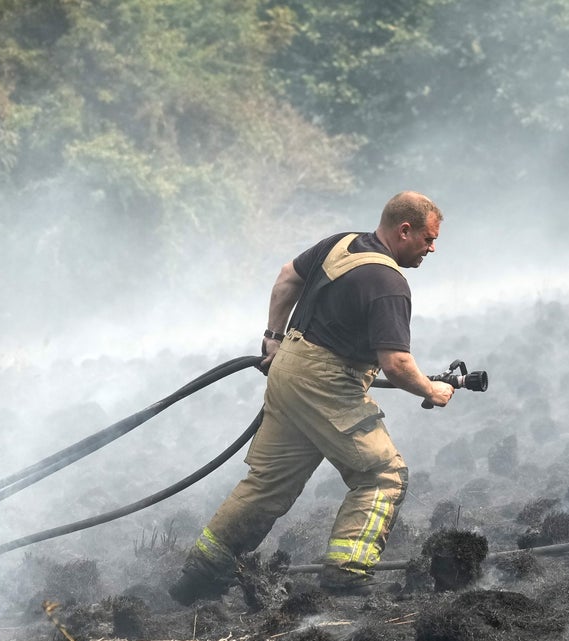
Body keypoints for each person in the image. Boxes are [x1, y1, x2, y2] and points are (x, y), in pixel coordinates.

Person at [168, 190, 454, 605]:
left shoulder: (341, 244)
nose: (432, 249)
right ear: (404, 230)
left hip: (287, 373)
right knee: (382, 474)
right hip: (326, 385)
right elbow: (394, 363)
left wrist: (272, 338)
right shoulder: (389, 283)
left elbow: (288, 276)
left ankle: (200, 574)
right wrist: (432, 389)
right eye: (428, 239)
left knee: (267, 484)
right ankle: (347, 576)